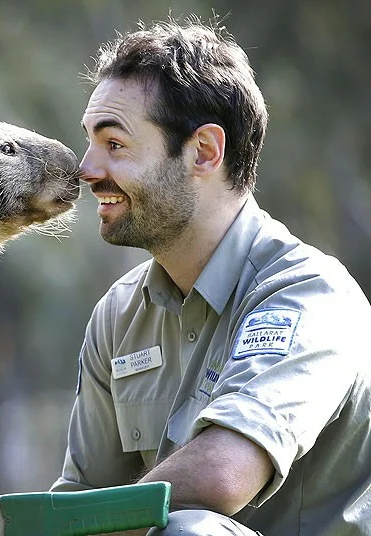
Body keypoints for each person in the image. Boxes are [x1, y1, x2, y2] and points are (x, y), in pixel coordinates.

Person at [52, 16, 371, 536]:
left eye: (114, 145)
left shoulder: (311, 296)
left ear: (204, 151)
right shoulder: (118, 314)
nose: (85, 169)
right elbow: (76, 505)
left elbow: (223, 475)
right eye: (89, 141)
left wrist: (97, 525)